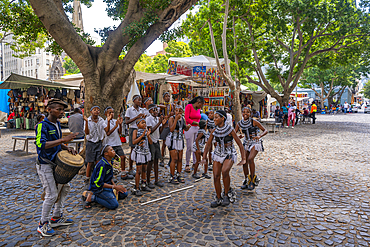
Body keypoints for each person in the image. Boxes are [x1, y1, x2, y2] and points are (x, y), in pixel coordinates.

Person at [35, 98, 78, 237]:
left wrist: (66, 147)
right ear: (49, 110)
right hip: (45, 164)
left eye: (63, 110)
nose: (61, 112)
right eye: (58, 109)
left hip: (57, 163)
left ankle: (57, 217)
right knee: (52, 194)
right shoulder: (42, 125)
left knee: (65, 188)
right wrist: (63, 140)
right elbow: (41, 145)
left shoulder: (57, 124)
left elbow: (57, 144)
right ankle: (43, 224)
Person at [201, 110, 246, 208]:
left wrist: (243, 158)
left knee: (225, 171)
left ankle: (226, 194)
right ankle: (218, 198)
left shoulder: (230, 129)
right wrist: (204, 157)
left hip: (229, 152)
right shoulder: (214, 131)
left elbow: (239, 144)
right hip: (218, 153)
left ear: (223, 118)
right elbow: (208, 144)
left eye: (217, 117)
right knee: (216, 175)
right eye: (214, 117)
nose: (214, 119)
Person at [82, 145, 128, 209]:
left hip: (107, 185)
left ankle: (108, 196)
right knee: (114, 205)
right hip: (99, 188)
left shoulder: (110, 161)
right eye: (111, 150)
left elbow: (109, 176)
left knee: (124, 193)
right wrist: (114, 187)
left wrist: (115, 187)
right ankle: (92, 197)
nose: (114, 151)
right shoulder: (102, 165)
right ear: (106, 154)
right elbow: (98, 183)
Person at [235, 107, 267, 190]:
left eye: (247, 112)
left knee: (250, 158)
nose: (245, 114)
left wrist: (259, 136)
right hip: (246, 142)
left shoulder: (254, 122)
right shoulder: (239, 123)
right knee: (244, 162)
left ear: (250, 113)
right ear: (241, 113)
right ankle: (247, 180)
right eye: (244, 112)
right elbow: (233, 133)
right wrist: (239, 136)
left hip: (255, 142)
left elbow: (265, 130)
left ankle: (252, 180)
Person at [167, 105, 191, 184]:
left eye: (180, 111)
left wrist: (187, 127)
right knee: (174, 159)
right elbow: (171, 129)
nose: (178, 112)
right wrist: (176, 120)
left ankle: (178, 174)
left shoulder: (183, 119)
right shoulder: (172, 118)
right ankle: (172, 176)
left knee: (180, 158)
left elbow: (184, 128)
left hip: (180, 139)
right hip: (173, 140)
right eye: (176, 110)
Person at [83, 106, 107, 188]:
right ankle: (87, 178)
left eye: (98, 110)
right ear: (91, 112)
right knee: (90, 162)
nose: (96, 111)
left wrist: (109, 120)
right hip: (90, 143)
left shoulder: (101, 120)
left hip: (99, 143)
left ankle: (98, 177)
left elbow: (106, 129)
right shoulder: (88, 120)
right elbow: (87, 132)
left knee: (98, 162)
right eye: (94, 110)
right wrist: (86, 122)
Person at [103, 107, 128, 180]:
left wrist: (119, 125)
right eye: (109, 112)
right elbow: (108, 133)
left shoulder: (114, 121)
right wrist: (116, 126)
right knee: (110, 160)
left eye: (112, 112)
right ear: (106, 114)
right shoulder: (104, 122)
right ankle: (110, 176)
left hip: (117, 142)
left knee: (122, 157)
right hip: (109, 143)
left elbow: (119, 132)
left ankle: (123, 173)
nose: (112, 114)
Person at [146, 104, 166, 188]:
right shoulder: (148, 119)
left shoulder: (157, 119)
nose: (155, 112)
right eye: (153, 110)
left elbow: (160, 131)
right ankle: (148, 180)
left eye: (156, 110)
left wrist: (163, 124)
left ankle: (156, 180)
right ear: (150, 111)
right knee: (150, 161)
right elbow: (151, 130)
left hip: (156, 140)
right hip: (151, 142)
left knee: (156, 160)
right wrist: (159, 123)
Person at [131, 118, 153, 196]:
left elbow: (150, 142)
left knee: (144, 169)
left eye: (145, 123)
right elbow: (134, 142)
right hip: (139, 152)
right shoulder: (135, 131)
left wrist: (148, 136)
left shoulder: (146, 131)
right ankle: (136, 187)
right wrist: (142, 136)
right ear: (137, 125)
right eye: (142, 123)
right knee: (139, 170)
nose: (144, 124)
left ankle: (143, 185)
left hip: (145, 152)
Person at [125, 95, 145, 176]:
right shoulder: (129, 110)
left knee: (140, 148)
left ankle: (139, 165)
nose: (140, 102)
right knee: (133, 149)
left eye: (140, 100)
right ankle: (130, 167)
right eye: (138, 100)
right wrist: (137, 117)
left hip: (141, 129)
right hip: (133, 129)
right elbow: (126, 121)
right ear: (134, 100)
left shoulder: (142, 110)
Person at [184, 96, 204, 173]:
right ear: (198, 102)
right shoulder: (189, 106)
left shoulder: (198, 109)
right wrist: (195, 123)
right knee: (189, 147)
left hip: (197, 128)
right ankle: (187, 164)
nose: (201, 106)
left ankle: (195, 163)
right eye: (201, 104)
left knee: (196, 147)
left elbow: (198, 117)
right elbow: (187, 118)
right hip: (190, 127)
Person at [158, 92, 175, 167]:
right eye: (166, 96)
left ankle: (171, 159)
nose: (168, 97)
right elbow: (160, 115)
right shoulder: (162, 105)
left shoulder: (172, 105)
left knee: (170, 143)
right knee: (164, 143)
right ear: (164, 98)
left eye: (169, 96)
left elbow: (174, 113)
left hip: (170, 124)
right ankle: (162, 159)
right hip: (165, 125)